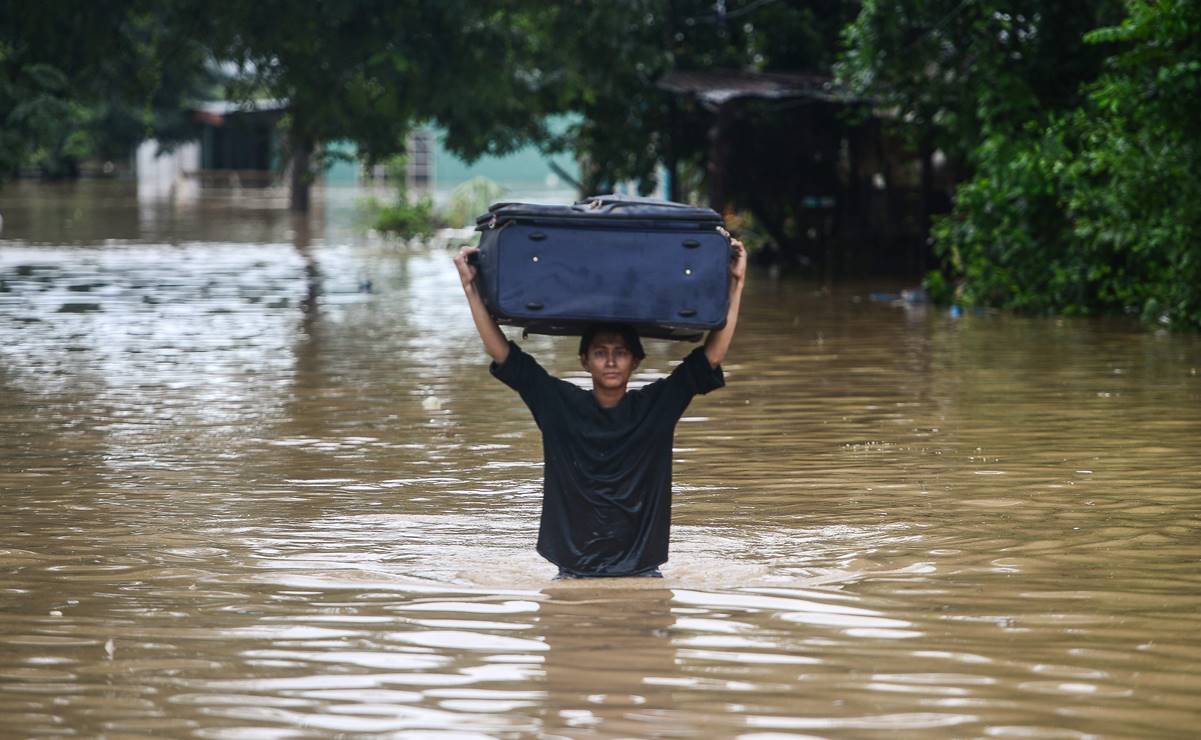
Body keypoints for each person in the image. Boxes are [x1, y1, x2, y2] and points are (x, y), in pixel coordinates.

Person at [453, 238, 747, 578]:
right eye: (600, 352)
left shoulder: (657, 405)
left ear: (635, 361)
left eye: (620, 352)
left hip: (642, 572)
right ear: (585, 360)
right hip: (573, 572)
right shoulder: (558, 403)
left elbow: (711, 356)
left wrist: (736, 283)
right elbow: (502, 352)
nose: (610, 361)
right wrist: (470, 288)